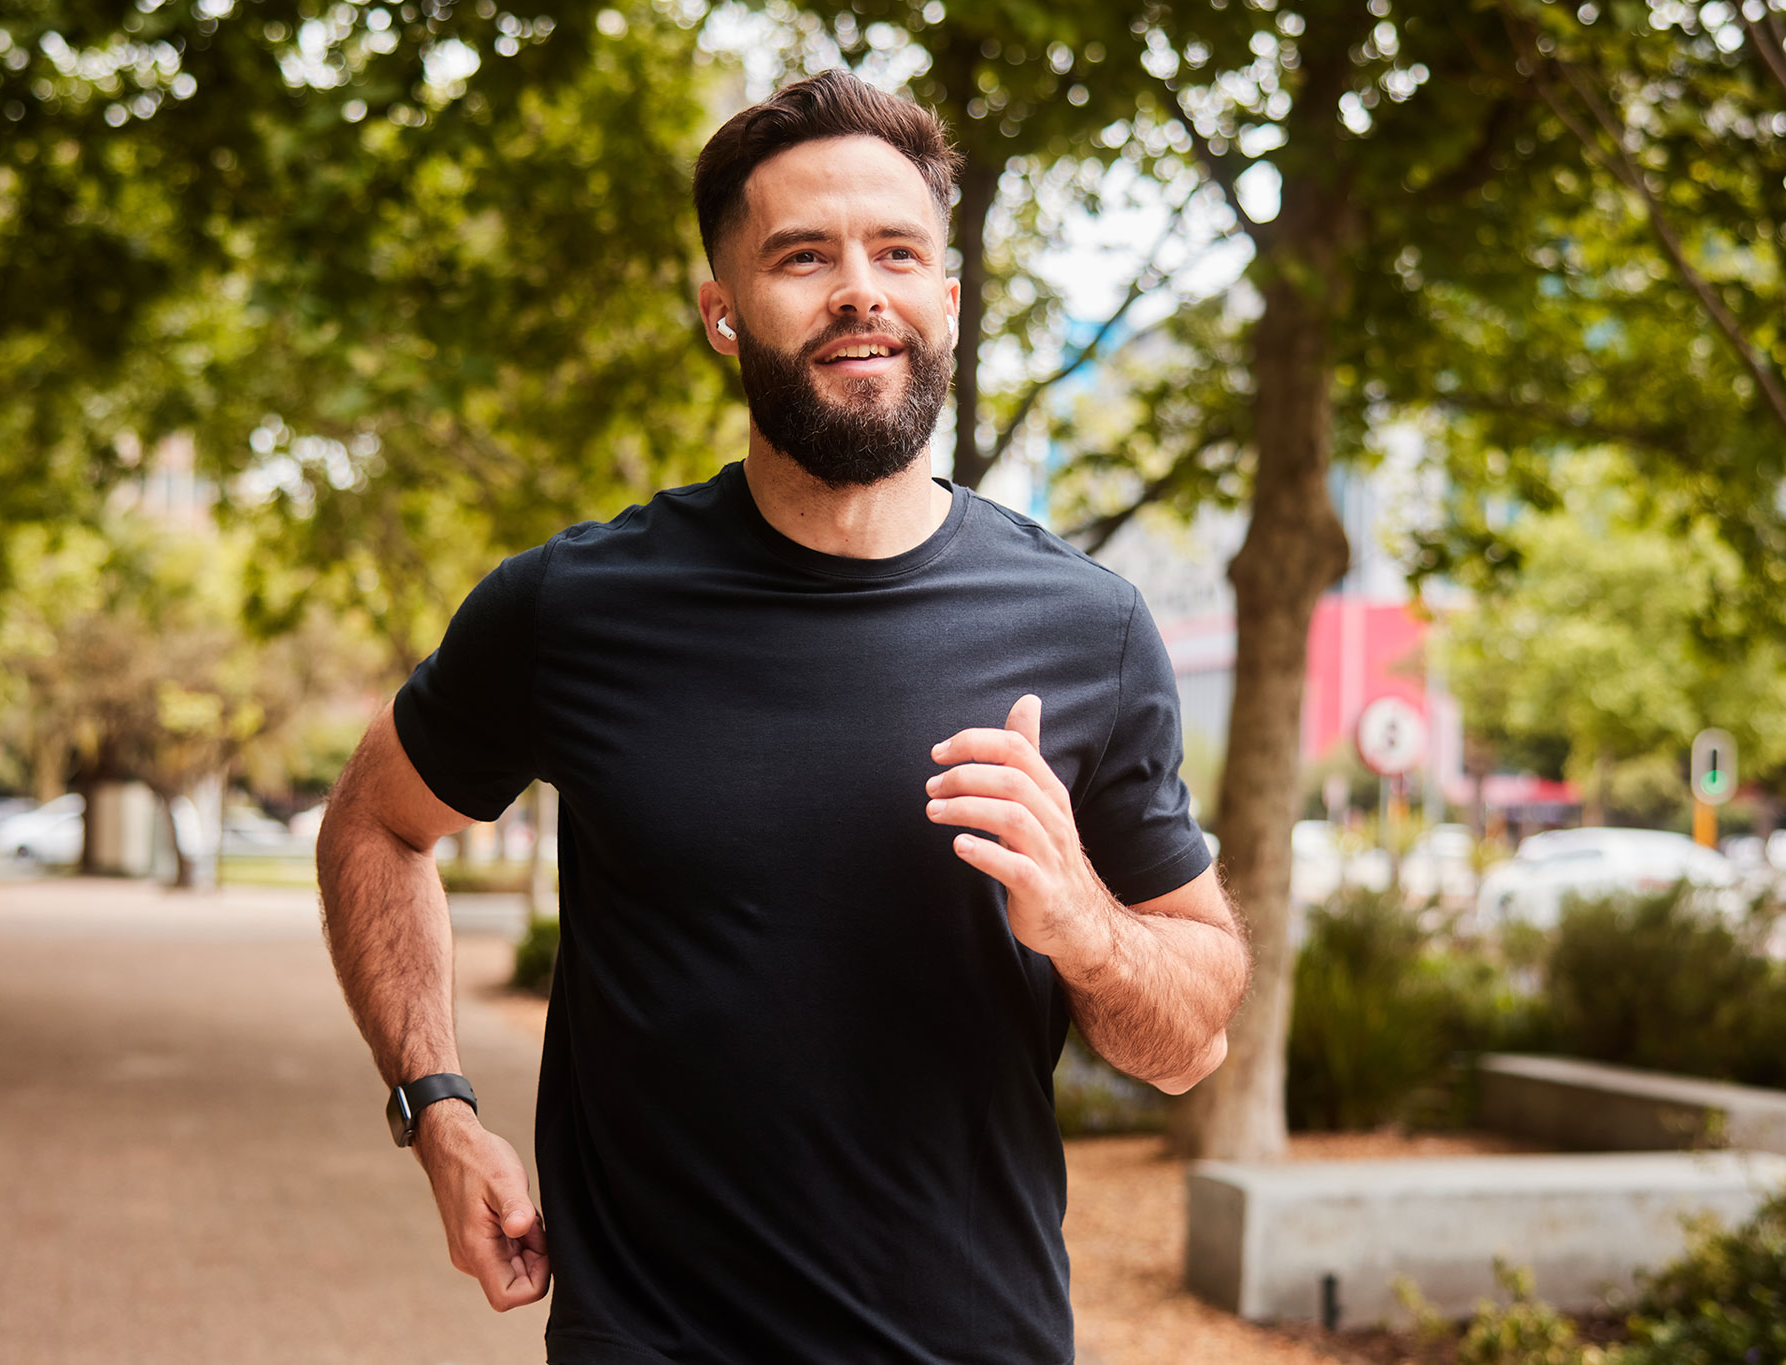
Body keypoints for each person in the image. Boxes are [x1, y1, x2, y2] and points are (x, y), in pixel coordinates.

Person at [316, 69, 1249, 1365]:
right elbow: (374, 822)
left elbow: (1193, 1030)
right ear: (723, 312)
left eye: (898, 252)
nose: (859, 287)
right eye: (803, 255)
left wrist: (1087, 927)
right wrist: (439, 1110)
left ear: (948, 300)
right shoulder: (573, 608)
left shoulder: (1086, 627)